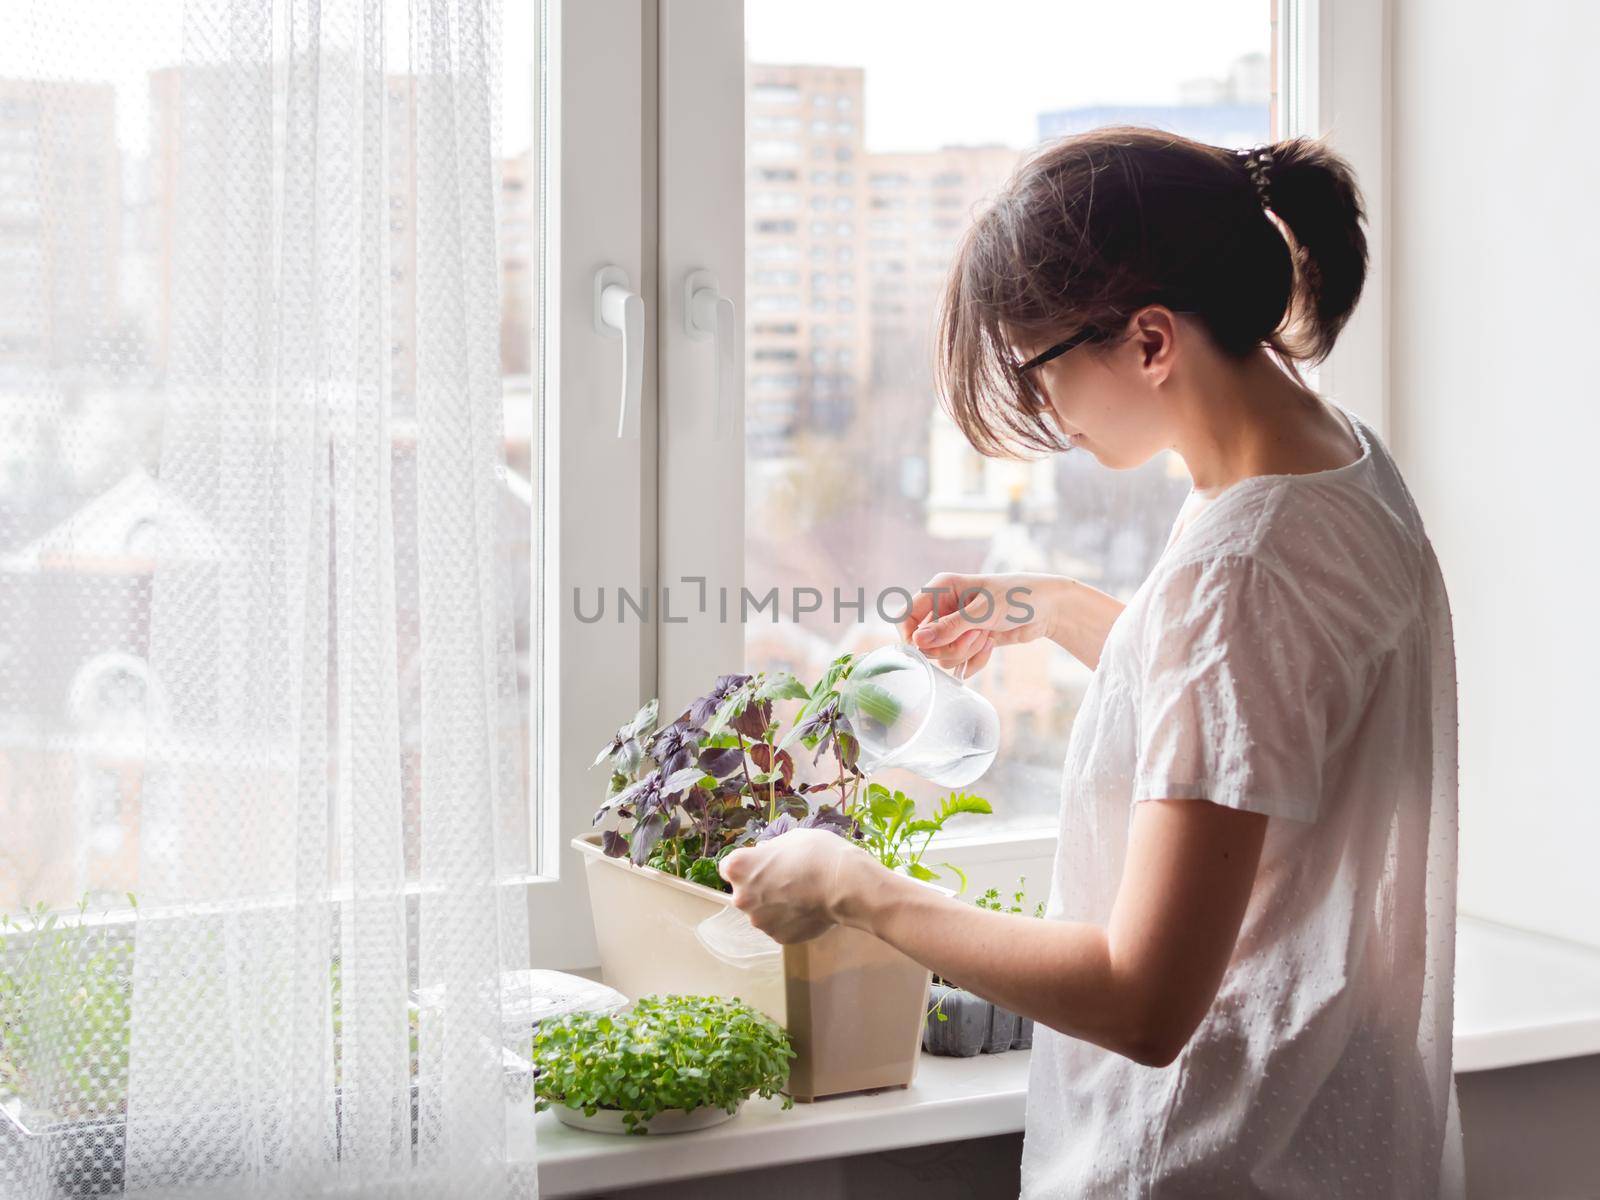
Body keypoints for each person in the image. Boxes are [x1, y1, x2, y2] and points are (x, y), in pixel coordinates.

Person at [719, 128, 1462, 1198]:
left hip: (1208, 1152)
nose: (1046, 413)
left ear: (1150, 341)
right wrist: (1054, 611)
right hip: (1327, 1138)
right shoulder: (1332, 460)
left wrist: (856, 889)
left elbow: (1143, 1000)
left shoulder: (1241, 569)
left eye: (1039, 368)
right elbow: (1270, 711)